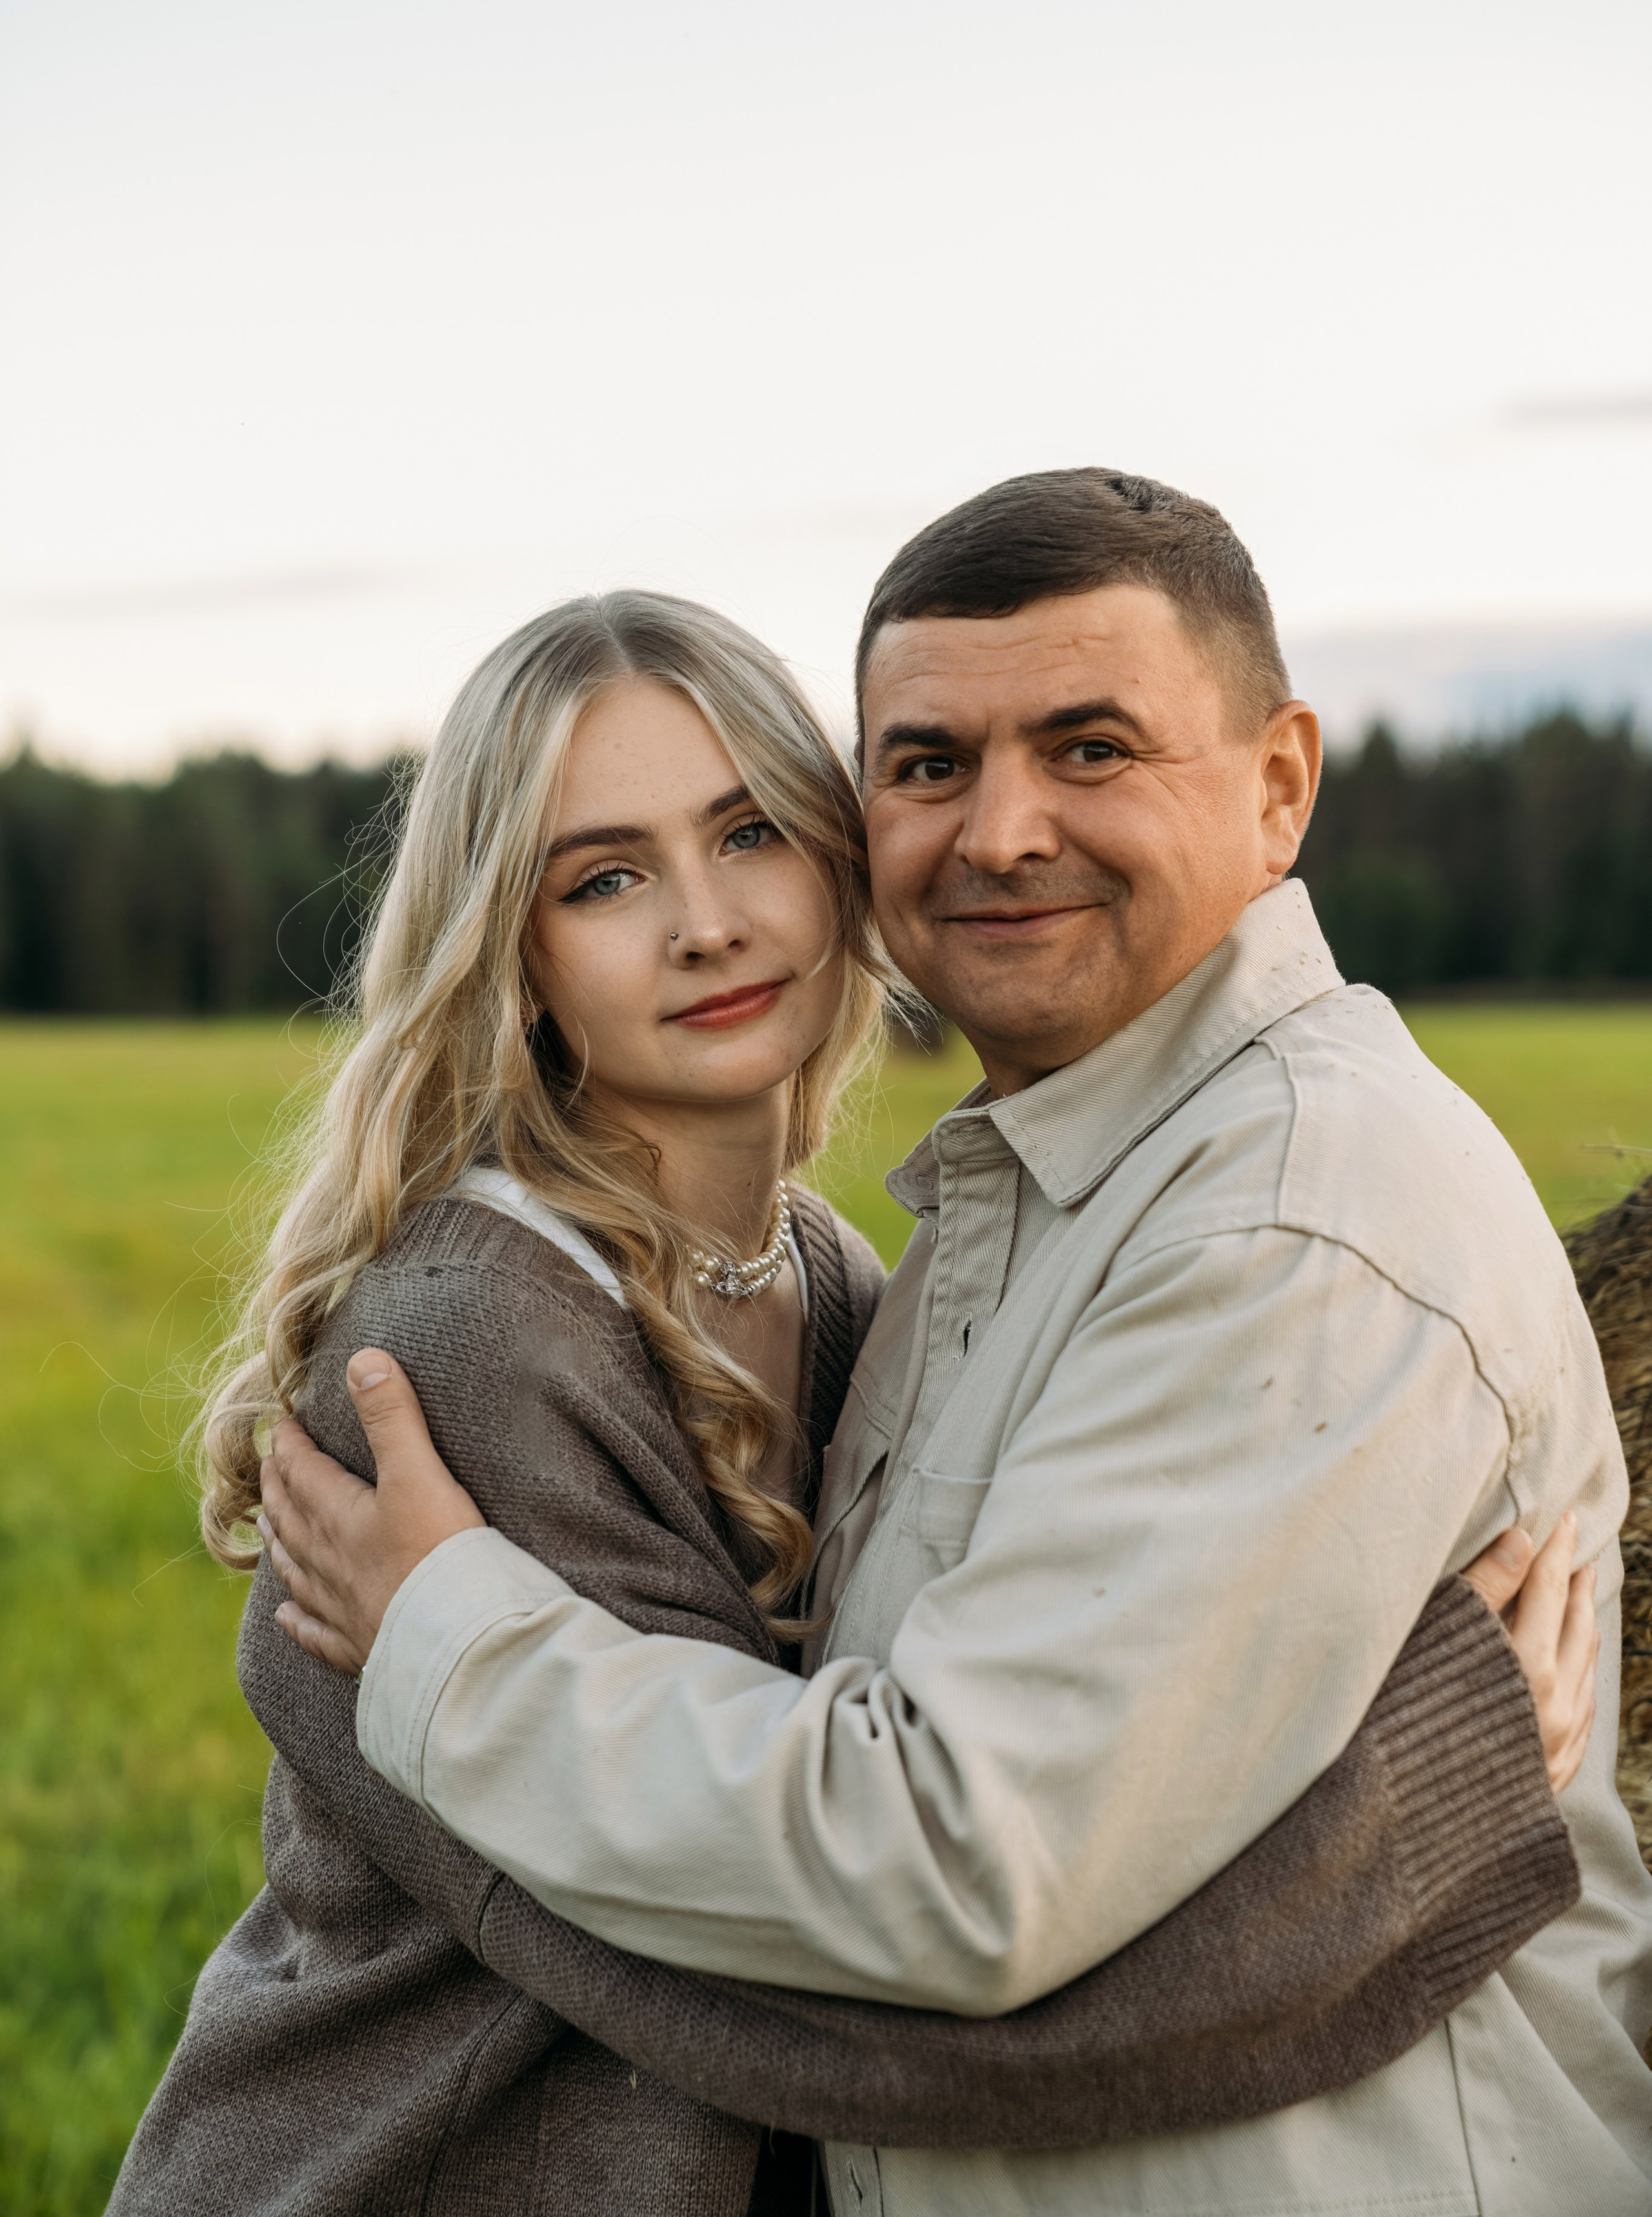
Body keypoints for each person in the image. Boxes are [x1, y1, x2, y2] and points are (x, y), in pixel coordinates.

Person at [261, 475, 1652, 2216]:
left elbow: (918, 1907)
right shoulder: (485, 1348)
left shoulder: (1265, 1220)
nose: (1000, 834)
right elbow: (802, 1980)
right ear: (511, 949)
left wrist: (457, 1650)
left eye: (1091, 749)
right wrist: (1415, 1813)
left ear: (1280, 784)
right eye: (930, 765)